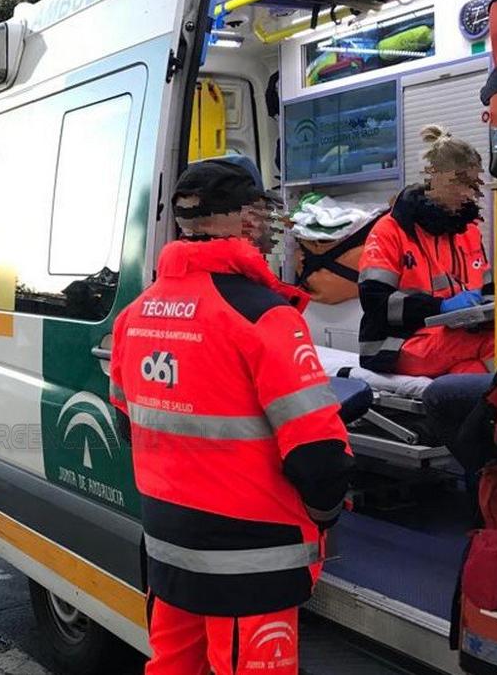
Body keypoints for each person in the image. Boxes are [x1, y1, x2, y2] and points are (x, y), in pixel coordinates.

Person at [109, 158, 354, 674]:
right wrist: (325, 513)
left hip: (169, 544)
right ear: (241, 218)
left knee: (173, 667)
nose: (266, 225)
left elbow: (126, 426)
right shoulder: (264, 316)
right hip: (251, 562)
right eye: (260, 211)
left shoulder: (136, 314)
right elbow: (320, 456)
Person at [357, 125, 495, 378]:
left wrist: (490, 304)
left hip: (449, 336)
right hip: (394, 343)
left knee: (471, 375)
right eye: (459, 183)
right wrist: (441, 307)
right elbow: (376, 304)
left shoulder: (469, 231)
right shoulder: (389, 230)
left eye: (473, 184)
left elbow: (487, 286)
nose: (468, 194)